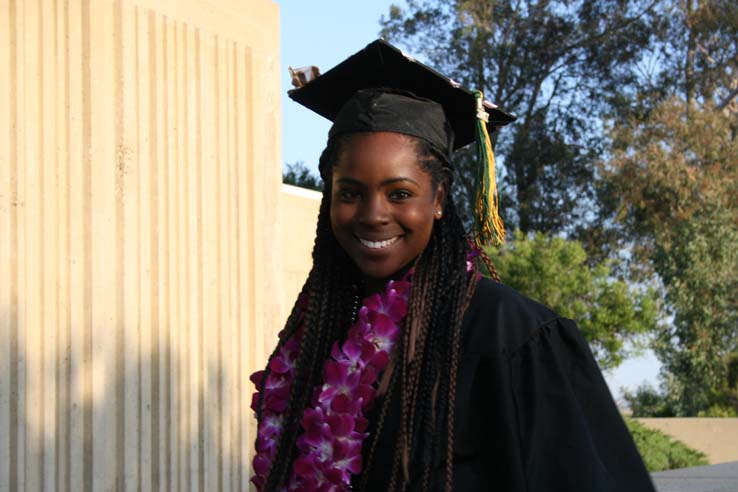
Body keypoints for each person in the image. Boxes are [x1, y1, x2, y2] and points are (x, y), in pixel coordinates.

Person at [249, 40, 656, 492]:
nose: (372, 214)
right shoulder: (322, 339)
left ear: (438, 200)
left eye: (399, 193)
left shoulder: (509, 334)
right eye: (350, 192)